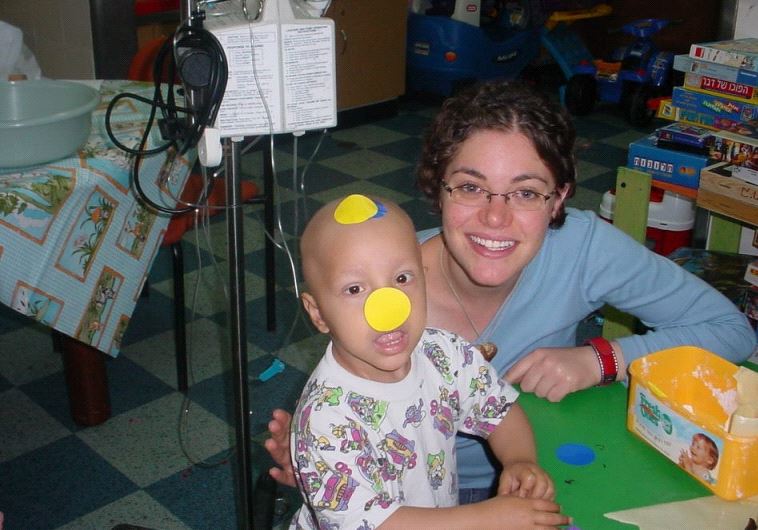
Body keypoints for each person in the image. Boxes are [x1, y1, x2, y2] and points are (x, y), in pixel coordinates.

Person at [268, 79, 756, 503]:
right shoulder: (380, 287)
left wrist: (601, 359)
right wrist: (321, 463)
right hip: (412, 499)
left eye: (525, 192)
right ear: (439, 188)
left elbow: (731, 330)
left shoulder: (583, 249)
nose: (495, 218)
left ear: (558, 199)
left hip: (545, 468)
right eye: (470, 187)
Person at [289, 193, 569, 528]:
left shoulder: (444, 353)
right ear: (318, 313)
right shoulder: (325, 419)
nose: (388, 309)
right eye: (354, 290)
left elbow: (499, 410)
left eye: (402, 279)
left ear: (423, 277)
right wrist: (486, 518)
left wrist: (519, 460)